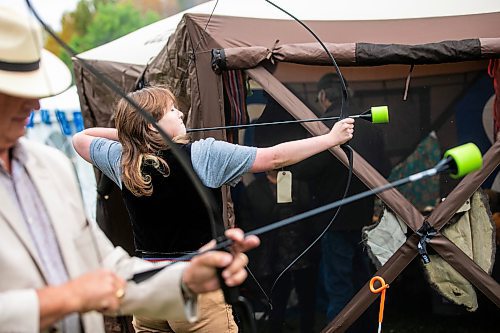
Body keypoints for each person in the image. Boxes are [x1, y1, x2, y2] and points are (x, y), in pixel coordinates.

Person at [0, 6, 259, 333]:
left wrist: (186, 279)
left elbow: (109, 267)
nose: (34, 103)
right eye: (15, 89)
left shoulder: (51, 167)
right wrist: (68, 298)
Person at [72, 84, 355, 332]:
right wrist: (330, 139)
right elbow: (274, 158)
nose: (180, 113)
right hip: (196, 289)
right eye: (171, 110)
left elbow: (81, 138)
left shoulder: (122, 160)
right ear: (151, 124)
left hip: (148, 293)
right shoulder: (203, 154)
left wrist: (133, 136)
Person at [314, 73, 391, 332]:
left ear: (324, 96)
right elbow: (384, 169)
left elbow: (306, 170)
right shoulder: (368, 124)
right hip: (363, 217)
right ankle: (367, 328)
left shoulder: (322, 126)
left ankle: (340, 329)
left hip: (332, 219)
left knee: (338, 286)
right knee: (362, 281)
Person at [236, 169, 320, 333]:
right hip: (273, 258)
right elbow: (250, 221)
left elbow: (311, 215)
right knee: (277, 303)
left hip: (302, 253)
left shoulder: (300, 186)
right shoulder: (254, 189)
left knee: (307, 301)